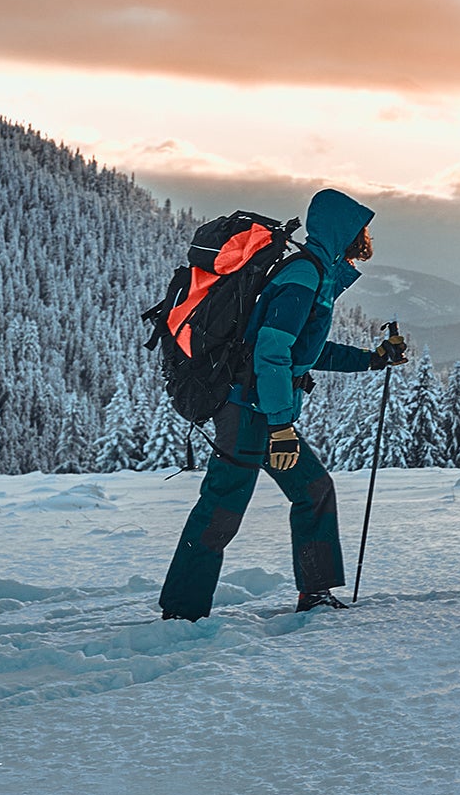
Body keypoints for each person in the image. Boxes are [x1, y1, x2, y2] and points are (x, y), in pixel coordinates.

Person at [160, 189, 409, 619]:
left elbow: (302, 352)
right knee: (223, 507)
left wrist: (372, 359)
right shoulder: (303, 277)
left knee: (311, 491)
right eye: (360, 228)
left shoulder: (314, 273)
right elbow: (271, 352)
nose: (366, 236)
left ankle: (313, 595)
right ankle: (182, 611)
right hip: (249, 411)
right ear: (342, 231)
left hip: (259, 409)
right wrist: (280, 427)